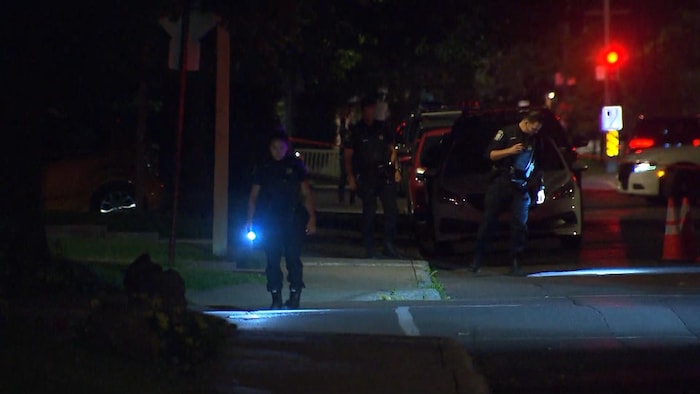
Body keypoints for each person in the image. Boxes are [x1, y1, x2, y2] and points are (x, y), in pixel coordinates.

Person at [246, 132, 317, 309]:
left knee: (293, 257)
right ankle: (275, 296)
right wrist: (250, 220)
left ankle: (295, 295)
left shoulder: (295, 166)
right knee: (272, 259)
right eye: (274, 148)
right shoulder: (264, 167)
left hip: (292, 218)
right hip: (270, 220)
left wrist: (312, 218)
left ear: (287, 148)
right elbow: (254, 196)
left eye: (281, 148)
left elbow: (306, 193)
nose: (277, 151)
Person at [470, 110, 545, 275]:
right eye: (534, 128)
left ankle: (516, 261)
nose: (535, 131)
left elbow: (538, 164)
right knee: (489, 221)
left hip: (521, 185)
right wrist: (509, 151)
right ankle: (478, 258)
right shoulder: (506, 133)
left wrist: (538, 185)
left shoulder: (535, 140)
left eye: (538, 129)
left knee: (520, 224)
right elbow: (490, 155)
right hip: (501, 182)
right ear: (526, 122)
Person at [344, 97, 401, 259]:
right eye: (368, 109)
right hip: (366, 174)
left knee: (391, 209)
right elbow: (348, 155)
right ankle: (369, 246)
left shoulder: (382, 128)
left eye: (372, 109)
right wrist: (350, 177)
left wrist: (396, 169)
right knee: (369, 211)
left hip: (383, 173)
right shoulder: (357, 131)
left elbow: (392, 149)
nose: (370, 112)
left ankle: (388, 244)